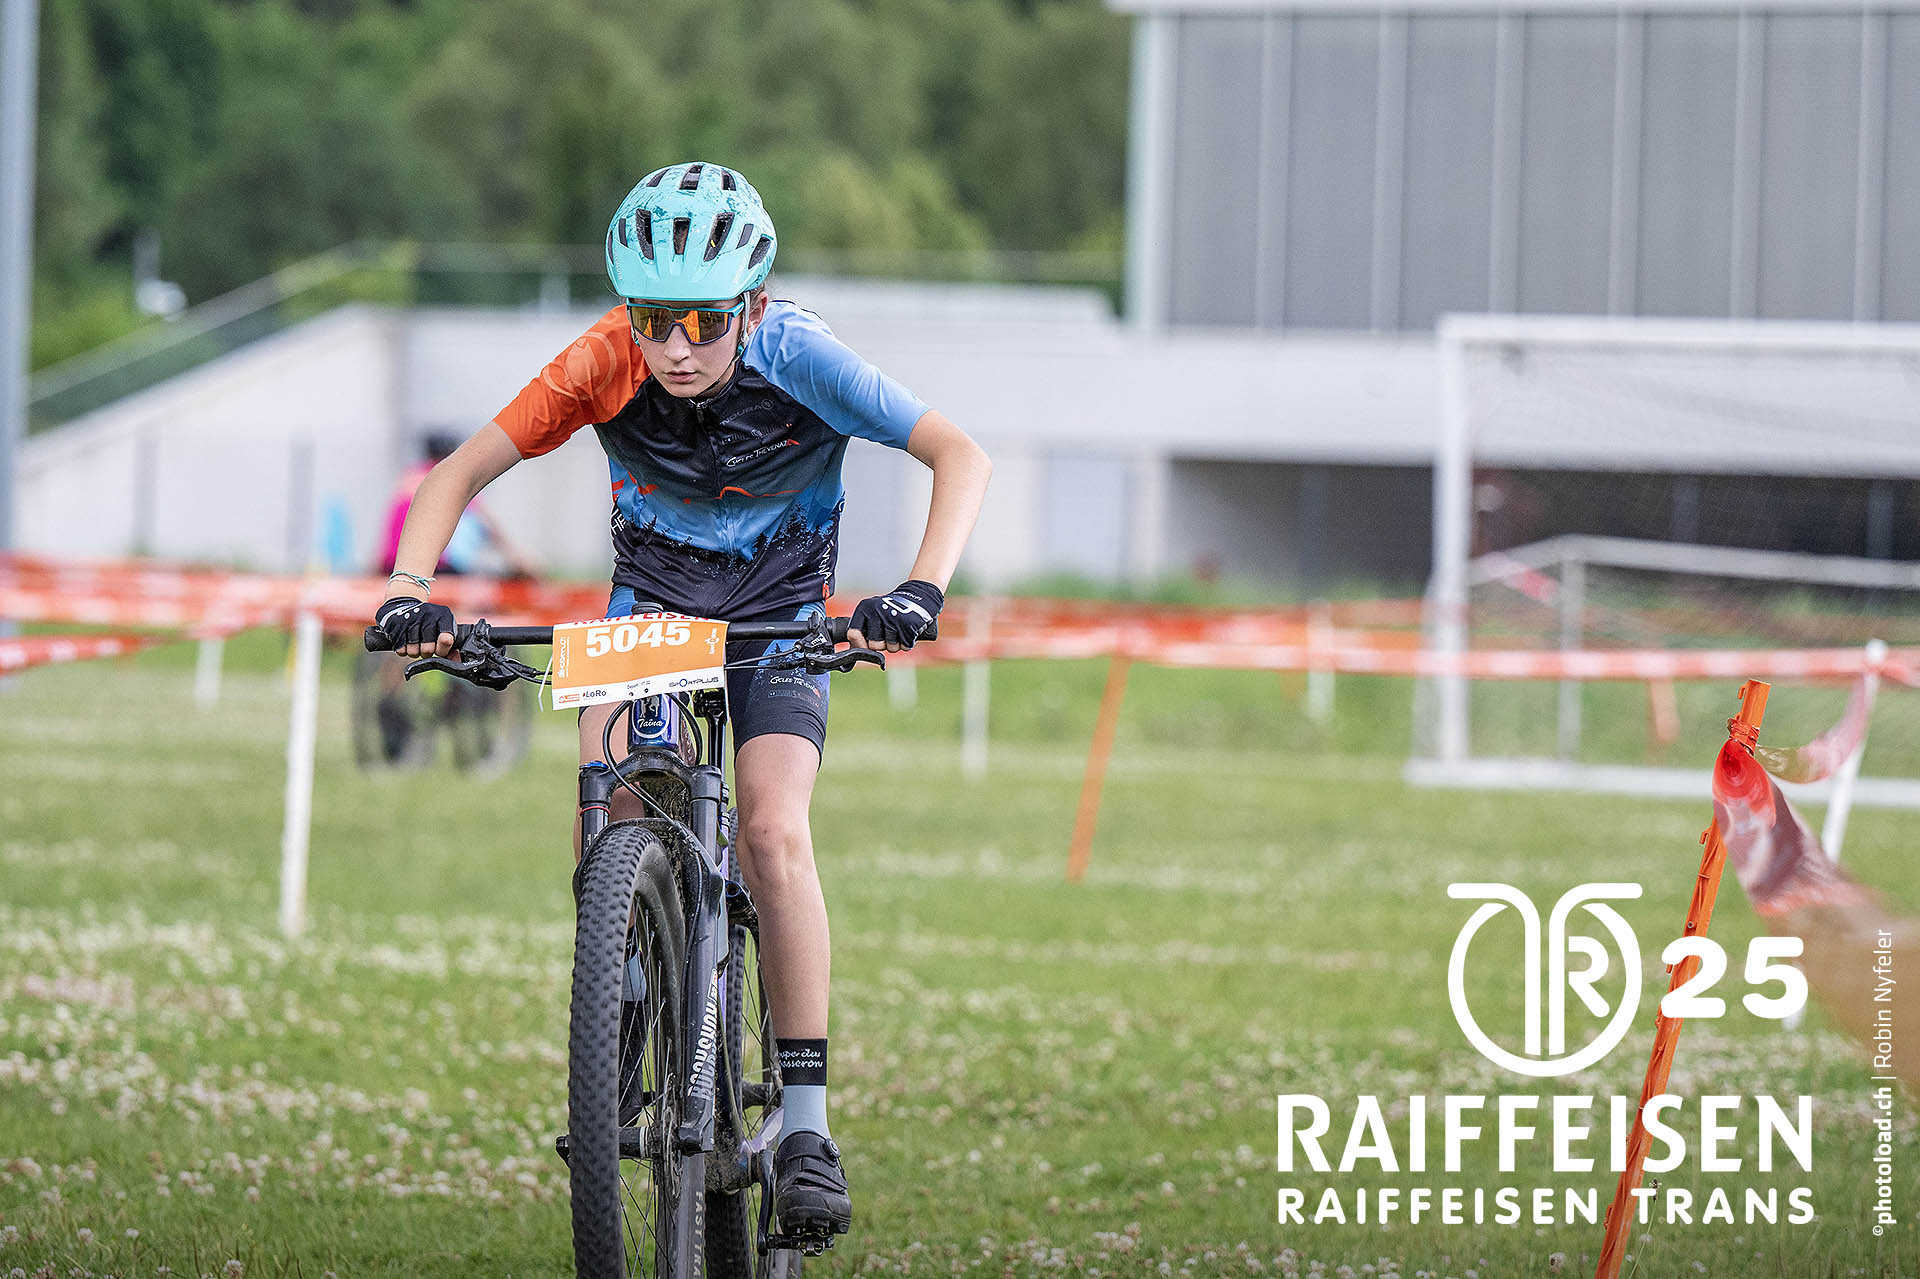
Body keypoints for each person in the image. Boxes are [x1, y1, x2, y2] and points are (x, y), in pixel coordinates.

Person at [370, 161, 993, 1242]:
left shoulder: (799, 354)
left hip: (782, 608)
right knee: (610, 796)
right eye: (655, 318)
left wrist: (919, 590)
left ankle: (806, 1126)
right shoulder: (603, 359)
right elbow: (455, 475)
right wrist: (408, 592)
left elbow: (958, 454)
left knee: (772, 829)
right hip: (651, 603)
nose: (678, 347)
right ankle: (614, 1014)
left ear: (753, 302)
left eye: (705, 320)